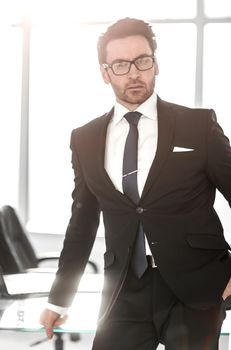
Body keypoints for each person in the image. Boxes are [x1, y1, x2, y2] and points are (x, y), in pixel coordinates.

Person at [40, 17, 231, 349]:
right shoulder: (85, 139)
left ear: (156, 64)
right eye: (120, 64)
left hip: (195, 288)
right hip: (124, 289)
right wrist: (58, 300)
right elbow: (82, 224)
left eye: (143, 61)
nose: (134, 72)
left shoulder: (197, 126)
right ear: (105, 72)